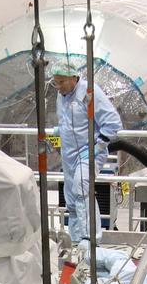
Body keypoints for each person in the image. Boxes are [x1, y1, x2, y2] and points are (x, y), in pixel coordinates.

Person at [52, 58, 123, 246]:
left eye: (60, 81)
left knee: (82, 188)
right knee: (71, 199)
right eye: (55, 82)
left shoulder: (89, 92)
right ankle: (76, 242)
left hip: (89, 152)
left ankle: (90, 240)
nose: (57, 86)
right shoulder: (61, 96)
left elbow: (113, 123)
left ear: (73, 77)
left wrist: (98, 146)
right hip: (69, 154)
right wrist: (60, 130)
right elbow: (70, 120)